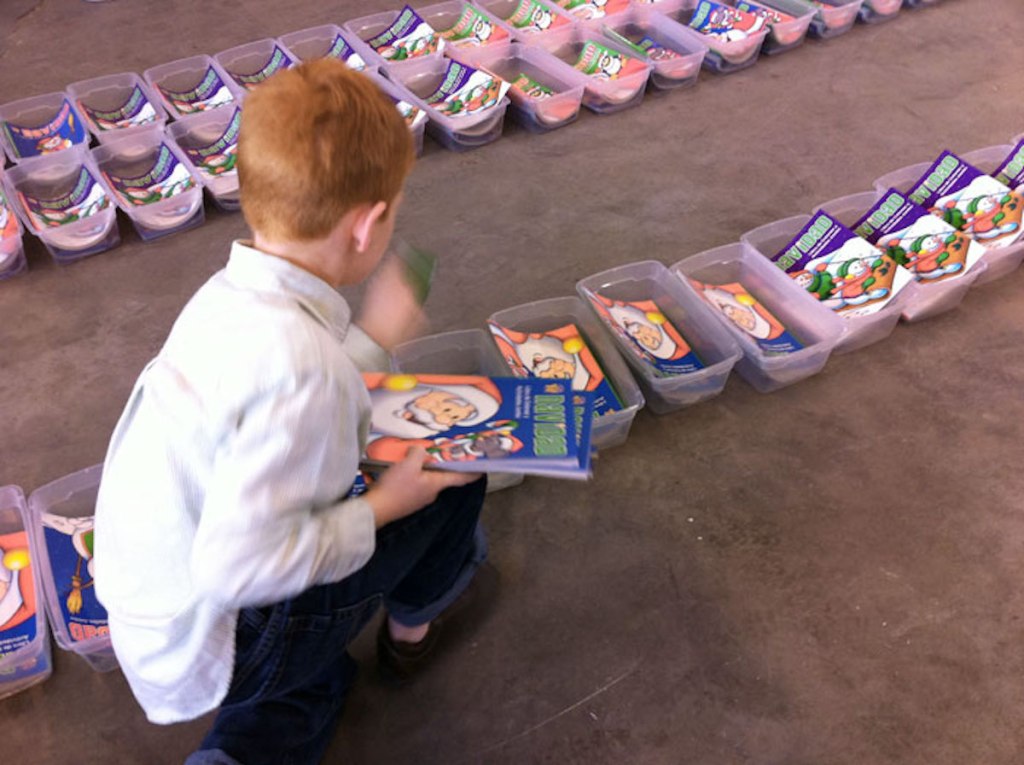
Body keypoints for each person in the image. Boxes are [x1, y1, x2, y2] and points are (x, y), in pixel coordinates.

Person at [94, 59, 491, 765]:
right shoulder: (309, 369)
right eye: (396, 208)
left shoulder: (229, 296)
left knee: (314, 679)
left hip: (159, 617)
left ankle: (282, 699)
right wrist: (385, 507)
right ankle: (408, 639)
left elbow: (284, 390)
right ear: (368, 226)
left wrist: (372, 340)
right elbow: (238, 568)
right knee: (457, 473)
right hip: (220, 630)